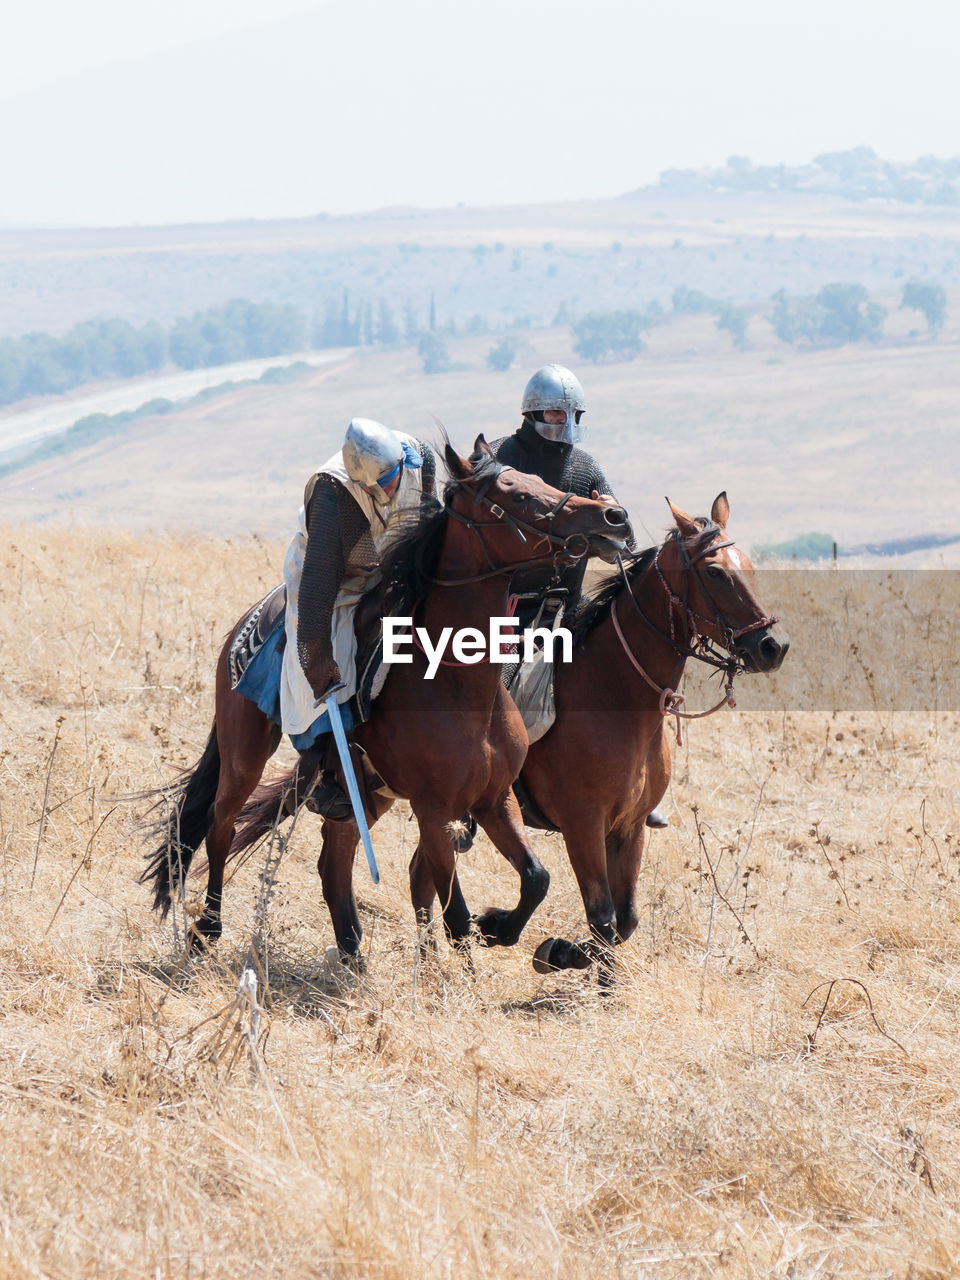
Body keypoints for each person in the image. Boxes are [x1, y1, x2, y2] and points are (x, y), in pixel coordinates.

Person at [493, 364, 667, 829]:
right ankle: (482, 789)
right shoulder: (501, 461)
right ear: (532, 411)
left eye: (573, 412)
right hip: (509, 607)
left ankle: (635, 784)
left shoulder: (583, 465)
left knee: (624, 672)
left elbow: (620, 534)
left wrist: (611, 517)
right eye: (555, 411)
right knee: (497, 689)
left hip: (568, 609)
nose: (564, 421)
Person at [236, 417, 436, 816]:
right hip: (336, 579)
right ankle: (323, 768)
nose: (384, 490)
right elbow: (318, 589)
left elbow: (428, 517)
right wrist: (316, 655)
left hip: (396, 565)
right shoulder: (332, 492)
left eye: (388, 480)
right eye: (371, 487)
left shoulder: (421, 459)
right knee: (330, 659)